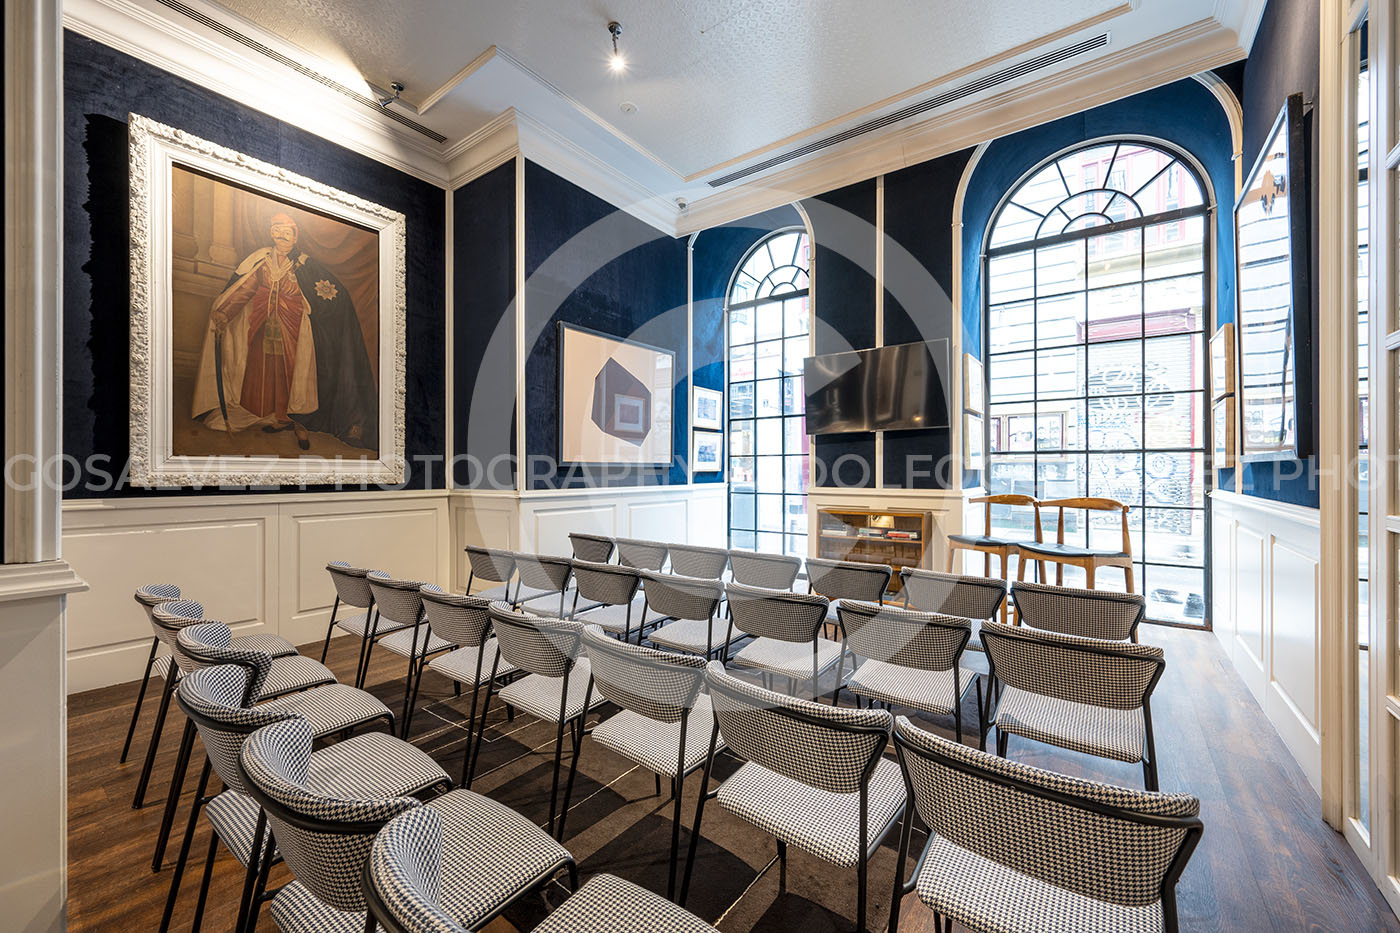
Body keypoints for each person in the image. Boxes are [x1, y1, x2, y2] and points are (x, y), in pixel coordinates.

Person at [191, 212, 377, 451]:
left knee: (289, 373)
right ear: (271, 233)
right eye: (277, 230)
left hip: (293, 331)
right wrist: (225, 313)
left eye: (287, 232)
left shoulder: (305, 266)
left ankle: (291, 419)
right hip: (261, 328)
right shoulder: (261, 261)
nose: (281, 235)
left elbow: (329, 296)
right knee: (262, 371)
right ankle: (266, 414)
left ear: (295, 236)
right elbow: (245, 290)